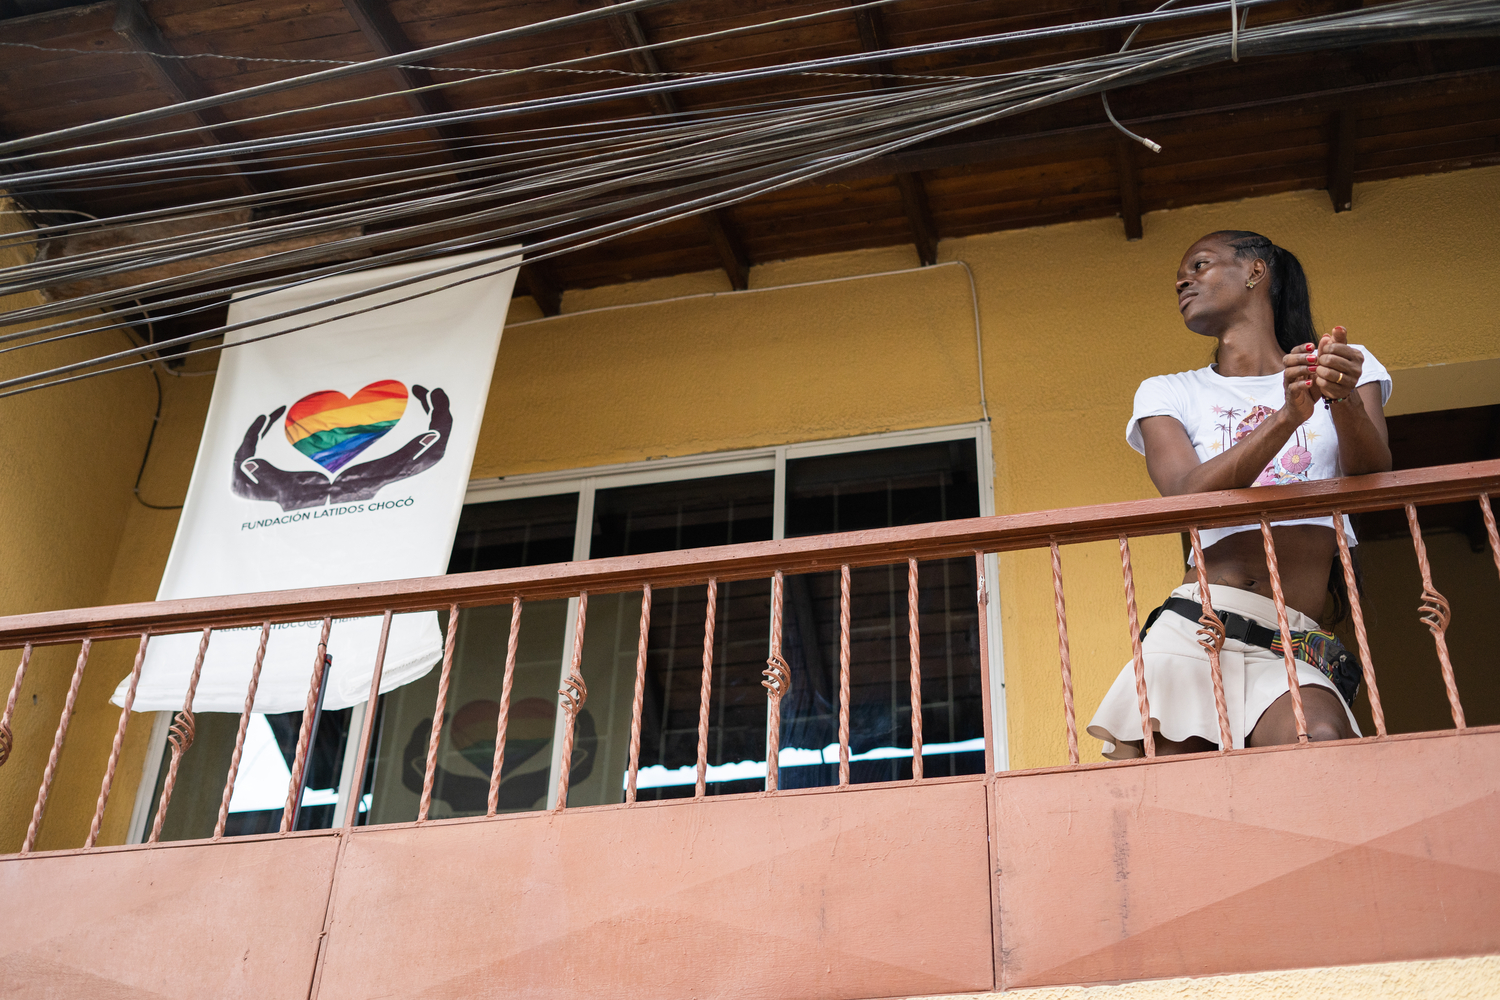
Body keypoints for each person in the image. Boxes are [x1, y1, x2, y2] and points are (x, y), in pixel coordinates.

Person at [1086, 230, 1392, 758]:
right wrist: (1288, 416)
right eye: (1182, 274)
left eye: (1200, 265)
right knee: (1175, 801)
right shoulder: (1168, 390)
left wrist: (1338, 399)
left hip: (1289, 635)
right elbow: (1185, 492)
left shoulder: (1345, 363)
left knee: (1319, 741)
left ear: (1256, 272)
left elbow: (1371, 475)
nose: (1183, 280)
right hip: (1197, 626)